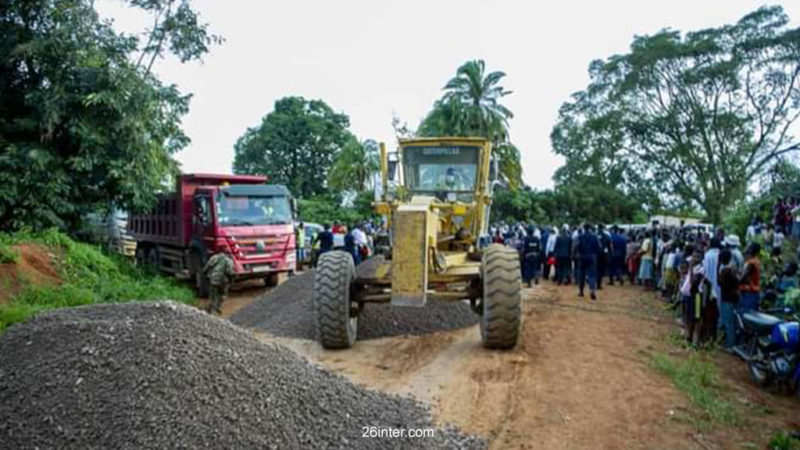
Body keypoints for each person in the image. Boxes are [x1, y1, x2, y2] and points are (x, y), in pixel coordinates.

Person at [718, 250, 739, 351]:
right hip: (732, 298)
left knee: (728, 322)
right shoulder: (733, 269)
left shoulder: (725, 271)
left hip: (727, 298)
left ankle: (730, 345)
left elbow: (719, 283)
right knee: (730, 321)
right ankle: (729, 343)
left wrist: (717, 266)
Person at [203, 249, 235, 315]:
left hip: (213, 280)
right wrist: (231, 281)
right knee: (222, 295)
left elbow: (206, 268)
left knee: (212, 295)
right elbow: (230, 272)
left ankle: (210, 309)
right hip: (223, 282)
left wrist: (206, 275)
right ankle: (217, 308)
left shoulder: (214, 258)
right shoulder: (229, 260)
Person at [576, 224, 601, 300]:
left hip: (582, 256)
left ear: (584, 228)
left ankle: (581, 291)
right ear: (590, 228)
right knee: (591, 275)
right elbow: (599, 247)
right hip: (591, 256)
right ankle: (592, 290)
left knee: (581, 274)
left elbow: (577, 246)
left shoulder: (580, 236)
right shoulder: (594, 236)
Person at [739, 243, 762, 312]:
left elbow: (742, 278)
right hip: (750, 292)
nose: (745, 248)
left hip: (750, 292)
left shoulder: (751, 263)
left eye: (748, 247)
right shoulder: (753, 261)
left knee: (748, 314)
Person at [596, 225, 611, 290]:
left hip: (596, 255)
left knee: (596, 269)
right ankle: (599, 283)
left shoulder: (595, 236)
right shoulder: (607, 236)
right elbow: (609, 246)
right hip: (604, 254)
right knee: (602, 269)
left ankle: (597, 282)